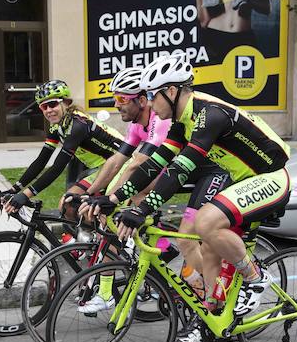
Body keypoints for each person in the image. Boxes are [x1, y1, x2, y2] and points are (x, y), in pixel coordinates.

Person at [103, 53, 290, 342]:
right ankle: (211, 321)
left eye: (153, 95)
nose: (149, 103)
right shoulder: (181, 120)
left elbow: (181, 169)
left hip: (271, 177)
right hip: (241, 181)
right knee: (208, 249)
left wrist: (143, 208)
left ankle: (255, 277)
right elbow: (156, 164)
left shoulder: (209, 115)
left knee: (204, 223)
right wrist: (112, 198)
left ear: (172, 91)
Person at [81, 67, 232, 325]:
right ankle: (163, 248)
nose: (117, 105)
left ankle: (207, 291)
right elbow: (118, 159)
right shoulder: (139, 125)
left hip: (207, 172)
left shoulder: (160, 121)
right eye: (114, 99)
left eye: (121, 99)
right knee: (136, 200)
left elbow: (137, 164)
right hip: (181, 170)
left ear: (141, 99)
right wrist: (93, 193)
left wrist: (113, 198)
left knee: (168, 222)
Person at [0, 80, 134, 224]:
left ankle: (110, 243)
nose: (48, 110)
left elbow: (58, 167)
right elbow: (41, 161)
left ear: (66, 102)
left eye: (52, 104)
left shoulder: (78, 125)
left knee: (104, 217)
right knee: (67, 205)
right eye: (43, 107)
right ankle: (89, 244)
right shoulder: (57, 127)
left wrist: (26, 195)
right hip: (104, 168)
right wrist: (14, 190)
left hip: (122, 164)